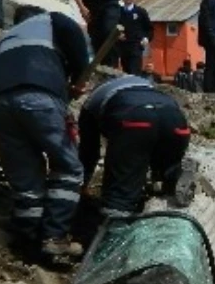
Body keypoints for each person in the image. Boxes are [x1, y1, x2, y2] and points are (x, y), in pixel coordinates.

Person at [0, 5, 90, 261]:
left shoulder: (4, 39)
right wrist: (78, 78)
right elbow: (74, 37)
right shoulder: (53, 19)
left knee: (25, 176)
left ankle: (28, 239)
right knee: (68, 168)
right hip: (39, 93)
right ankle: (54, 237)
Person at [77, 75, 191, 217]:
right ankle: (173, 177)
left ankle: (116, 222)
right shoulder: (147, 86)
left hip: (134, 119)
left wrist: (81, 184)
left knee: (122, 186)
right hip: (174, 118)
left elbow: (89, 151)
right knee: (164, 159)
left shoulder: (91, 102)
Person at [116, 0, 152, 76]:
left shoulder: (140, 12)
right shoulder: (118, 12)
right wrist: (117, 35)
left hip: (136, 46)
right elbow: (113, 27)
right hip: (123, 48)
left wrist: (146, 38)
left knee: (134, 72)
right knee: (126, 72)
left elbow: (149, 29)